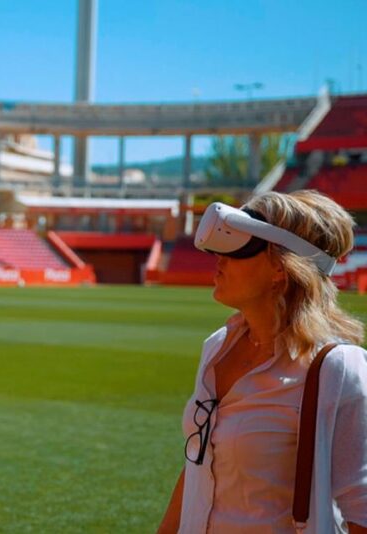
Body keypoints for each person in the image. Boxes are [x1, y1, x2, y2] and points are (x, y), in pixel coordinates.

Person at [157, 190, 367, 534]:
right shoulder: (218, 347)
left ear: (280, 270)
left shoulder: (335, 368)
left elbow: (361, 510)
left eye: (238, 250)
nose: (219, 261)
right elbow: (199, 463)